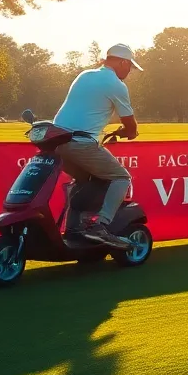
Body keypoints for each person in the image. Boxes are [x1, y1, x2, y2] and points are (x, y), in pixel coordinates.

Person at [52, 44, 143, 247]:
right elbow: (130, 126)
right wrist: (127, 132)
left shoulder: (84, 75)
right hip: (80, 143)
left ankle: (74, 229)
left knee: (85, 181)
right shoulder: (116, 85)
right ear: (123, 62)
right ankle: (100, 225)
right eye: (130, 67)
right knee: (121, 177)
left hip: (56, 142)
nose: (129, 71)